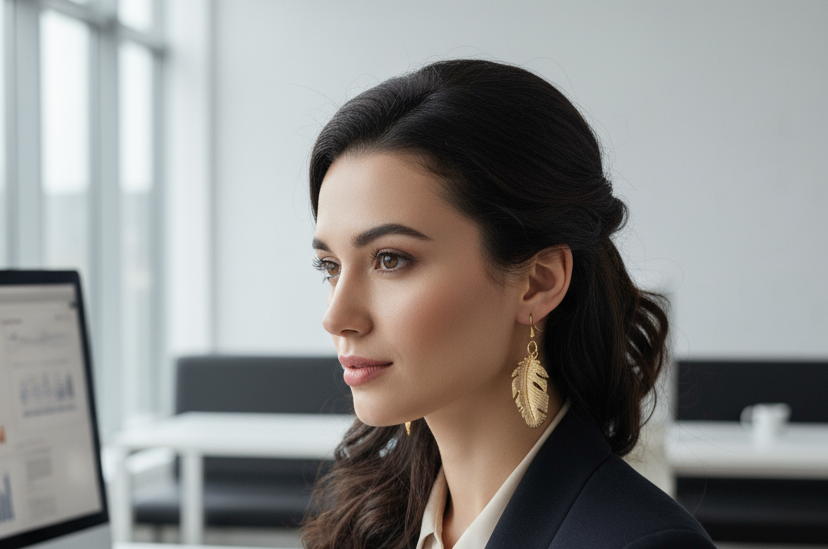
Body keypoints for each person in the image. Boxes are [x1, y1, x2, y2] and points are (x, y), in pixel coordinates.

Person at [302, 59, 715, 549]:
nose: (336, 317)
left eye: (390, 259)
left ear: (538, 282)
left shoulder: (642, 544)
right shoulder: (371, 521)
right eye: (330, 266)